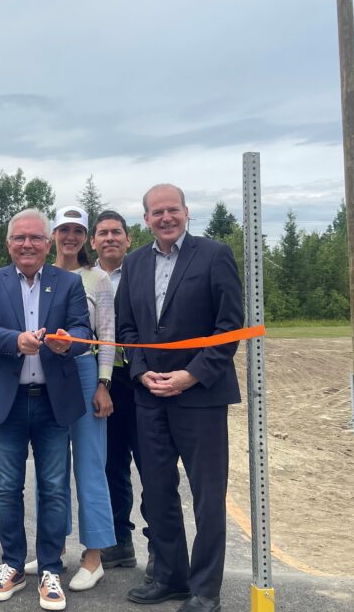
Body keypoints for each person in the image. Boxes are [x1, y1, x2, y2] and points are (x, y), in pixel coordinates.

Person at [116, 184, 244, 612]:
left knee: (208, 497)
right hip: (151, 398)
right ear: (146, 218)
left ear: (186, 212)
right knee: (157, 491)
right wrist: (140, 372)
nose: (165, 217)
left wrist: (191, 375)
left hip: (201, 398)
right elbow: (127, 329)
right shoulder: (135, 264)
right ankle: (170, 576)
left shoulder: (214, 255)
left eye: (173, 210)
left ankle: (205, 590)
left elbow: (230, 327)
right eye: (157, 212)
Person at [0, 208, 93, 612]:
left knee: (54, 488)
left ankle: (51, 568)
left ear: (48, 243)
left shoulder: (69, 282)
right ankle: (12, 565)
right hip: (8, 402)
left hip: (52, 401)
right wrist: (14, 340)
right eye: (19, 238)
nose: (27, 244)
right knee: (8, 489)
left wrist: (66, 341)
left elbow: (81, 328)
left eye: (36, 238)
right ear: (9, 244)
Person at [50, 206, 116, 592]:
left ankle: (94, 556)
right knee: (52, 467)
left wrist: (103, 383)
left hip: (87, 373)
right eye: (63, 229)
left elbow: (106, 334)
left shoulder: (98, 279)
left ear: (85, 237)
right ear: (53, 235)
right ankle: (52, 547)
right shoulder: (41, 276)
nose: (70, 236)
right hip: (50, 376)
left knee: (90, 466)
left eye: (77, 230)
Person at [89, 210, 150, 574]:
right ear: (93, 241)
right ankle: (118, 543)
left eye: (117, 232)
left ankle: (160, 544)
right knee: (111, 466)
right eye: (102, 233)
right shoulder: (88, 277)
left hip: (141, 381)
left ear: (129, 239)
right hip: (103, 384)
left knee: (152, 465)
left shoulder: (142, 273)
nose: (110, 238)